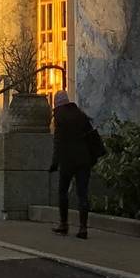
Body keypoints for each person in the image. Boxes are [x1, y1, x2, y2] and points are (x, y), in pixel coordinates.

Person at [49, 94, 104, 238]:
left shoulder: (59, 117)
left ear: (57, 104)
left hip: (67, 160)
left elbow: (58, 142)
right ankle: (83, 228)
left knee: (62, 192)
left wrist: (55, 163)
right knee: (82, 194)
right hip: (84, 160)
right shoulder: (80, 115)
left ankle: (63, 224)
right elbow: (90, 136)